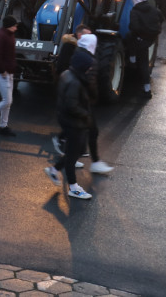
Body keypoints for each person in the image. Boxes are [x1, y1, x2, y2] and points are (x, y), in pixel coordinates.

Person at [52, 25, 114, 175]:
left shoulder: (81, 53)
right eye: (86, 35)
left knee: (83, 135)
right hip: (80, 101)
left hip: (81, 101)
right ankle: (62, 170)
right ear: (79, 35)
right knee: (85, 134)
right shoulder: (78, 54)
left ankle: (62, 164)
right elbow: (67, 72)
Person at [44, 33, 96, 200]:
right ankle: (73, 187)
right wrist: (86, 115)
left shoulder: (68, 74)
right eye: (88, 67)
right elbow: (72, 105)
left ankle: (54, 169)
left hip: (71, 121)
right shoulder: (74, 81)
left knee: (75, 152)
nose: (89, 70)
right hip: (74, 122)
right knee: (73, 155)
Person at [128, 0, 164, 99]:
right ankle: (146, 89)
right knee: (144, 61)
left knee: (142, 63)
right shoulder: (154, 9)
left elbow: (134, 27)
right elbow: (162, 18)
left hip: (141, 39)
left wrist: (138, 34)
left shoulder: (135, 11)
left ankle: (132, 59)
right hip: (152, 37)